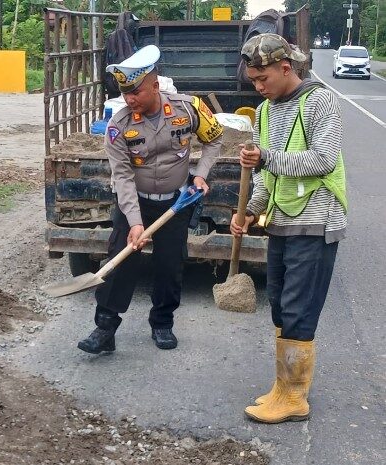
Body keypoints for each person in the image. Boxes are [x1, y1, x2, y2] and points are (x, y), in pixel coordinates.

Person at [78, 45, 223, 354]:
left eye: (136, 92)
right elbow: (123, 177)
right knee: (121, 262)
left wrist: (201, 174)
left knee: (170, 265)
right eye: (124, 93)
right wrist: (134, 223)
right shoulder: (118, 126)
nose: (130, 99)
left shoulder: (189, 108)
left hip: (176, 202)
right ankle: (105, 329)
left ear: (155, 86)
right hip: (135, 202)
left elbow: (215, 139)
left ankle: (162, 323)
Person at [233, 34, 347, 423]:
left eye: (263, 79)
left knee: (299, 309)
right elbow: (265, 173)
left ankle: (295, 397)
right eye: (254, 81)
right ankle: (283, 388)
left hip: (316, 221)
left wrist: (266, 156)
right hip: (281, 220)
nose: (259, 87)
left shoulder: (320, 100)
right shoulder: (265, 111)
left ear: (286, 68)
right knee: (280, 304)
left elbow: (324, 160)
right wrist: (251, 209)